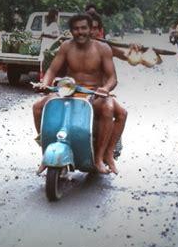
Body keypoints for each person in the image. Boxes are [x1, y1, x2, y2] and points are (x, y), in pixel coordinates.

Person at [33, 14, 119, 174]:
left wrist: (105, 88)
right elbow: (52, 70)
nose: (80, 32)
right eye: (76, 29)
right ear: (71, 31)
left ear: (90, 29)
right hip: (69, 90)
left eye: (83, 28)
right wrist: (45, 83)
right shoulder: (66, 46)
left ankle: (101, 158)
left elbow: (113, 77)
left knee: (109, 108)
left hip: (94, 93)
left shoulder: (103, 48)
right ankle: (45, 152)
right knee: (38, 107)